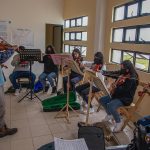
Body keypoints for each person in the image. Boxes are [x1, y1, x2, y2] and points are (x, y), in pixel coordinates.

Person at [100, 60, 139, 132]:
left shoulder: (133, 77)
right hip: (117, 94)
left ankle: (119, 121)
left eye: (122, 67)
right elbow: (114, 73)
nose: (121, 69)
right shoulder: (124, 72)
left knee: (110, 105)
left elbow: (125, 90)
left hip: (125, 98)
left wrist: (115, 86)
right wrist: (104, 72)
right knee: (102, 100)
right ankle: (110, 114)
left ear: (127, 69)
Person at [0, 47, 17, 138]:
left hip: (0, 81)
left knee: (1, 106)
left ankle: (3, 126)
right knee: (1, 106)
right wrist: (12, 49)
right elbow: (2, 57)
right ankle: (2, 129)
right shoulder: (17, 56)